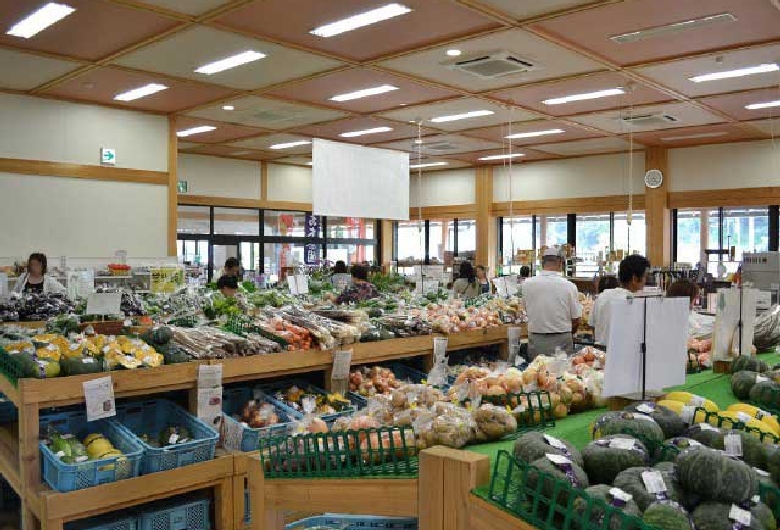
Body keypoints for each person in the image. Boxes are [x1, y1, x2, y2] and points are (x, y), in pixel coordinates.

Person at [521, 248, 582, 359]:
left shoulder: (527, 284)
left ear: (542, 263)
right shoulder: (569, 286)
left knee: (537, 368)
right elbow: (576, 319)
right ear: (560, 263)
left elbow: (525, 310)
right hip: (562, 340)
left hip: (536, 339)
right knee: (563, 369)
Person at [590, 254, 651, 347]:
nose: (645, 281)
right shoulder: (631, 301)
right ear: (634, 279)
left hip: (600, 351)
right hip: (620, 352)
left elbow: (593, 327)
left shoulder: (602, 297)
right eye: (644, 277)